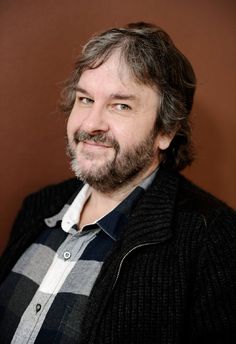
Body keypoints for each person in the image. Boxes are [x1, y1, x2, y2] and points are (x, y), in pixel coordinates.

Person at [0, 22, 235, 344]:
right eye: (85, 100)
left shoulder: (214, 237)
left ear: (165, 131)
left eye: (120, 105)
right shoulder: (38, 206)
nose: (92, 124)